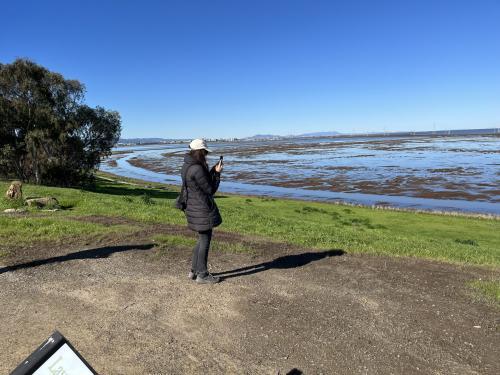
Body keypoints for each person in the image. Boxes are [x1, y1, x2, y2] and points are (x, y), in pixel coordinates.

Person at [181, 139, 223, 284]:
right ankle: (203, 275)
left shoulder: (187, 165)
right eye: (205, 152)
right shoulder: (197, 168)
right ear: (200, 152)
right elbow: (210, 190)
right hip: (201, 209)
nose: (206, 154)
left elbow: (201, 184)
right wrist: (217, 174)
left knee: (201, 239)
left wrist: (211, 171)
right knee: (205, 240)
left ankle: (194, 270)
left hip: (193, 207)